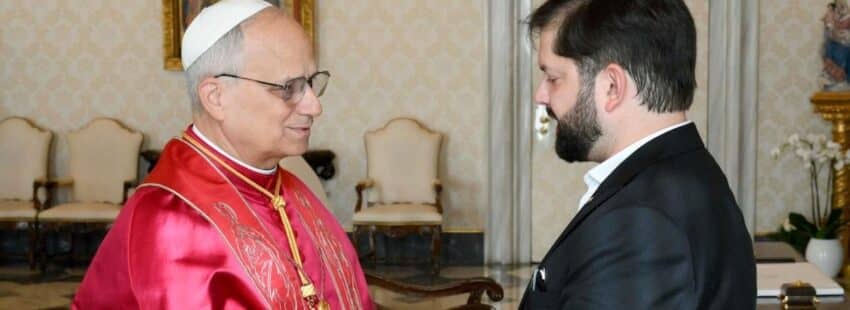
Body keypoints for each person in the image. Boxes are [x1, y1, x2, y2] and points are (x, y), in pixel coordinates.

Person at [73, 0, 374, 309]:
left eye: (311, 83)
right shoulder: (173, 221)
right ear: (216, 97)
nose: (314, 106)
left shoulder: (287, 186)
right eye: (289, 88)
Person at [520, 0, 755, 308]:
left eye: (553, 78)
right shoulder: (682, 176)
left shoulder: (641, 222)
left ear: (612, 87)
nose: (541, 96)